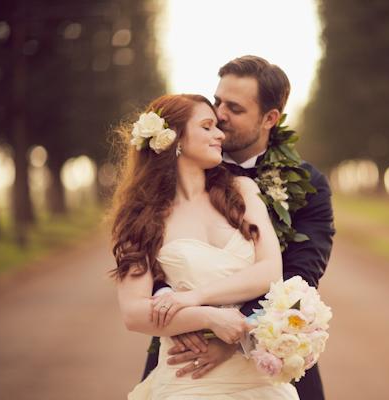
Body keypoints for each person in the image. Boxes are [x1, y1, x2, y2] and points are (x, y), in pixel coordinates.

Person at [142, 56, 336, 400]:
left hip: (270, 357)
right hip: (184, 354)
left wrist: (234, 338)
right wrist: (166, 297)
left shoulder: (309, 185)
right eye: (217, 101)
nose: (219, 114)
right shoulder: (175, 175)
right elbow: (147, 246)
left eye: (234, 107)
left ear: (269, 119)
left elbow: (299, 280)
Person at [110, 93, 299, 399]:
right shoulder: (139, 216)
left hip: (258, 381)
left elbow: (270, 270)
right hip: (189, 380)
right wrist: (209, 317)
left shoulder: (242, 190)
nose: (220, 134)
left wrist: (195, 298)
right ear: (176, 140)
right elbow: (133, 312)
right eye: (208, 126)